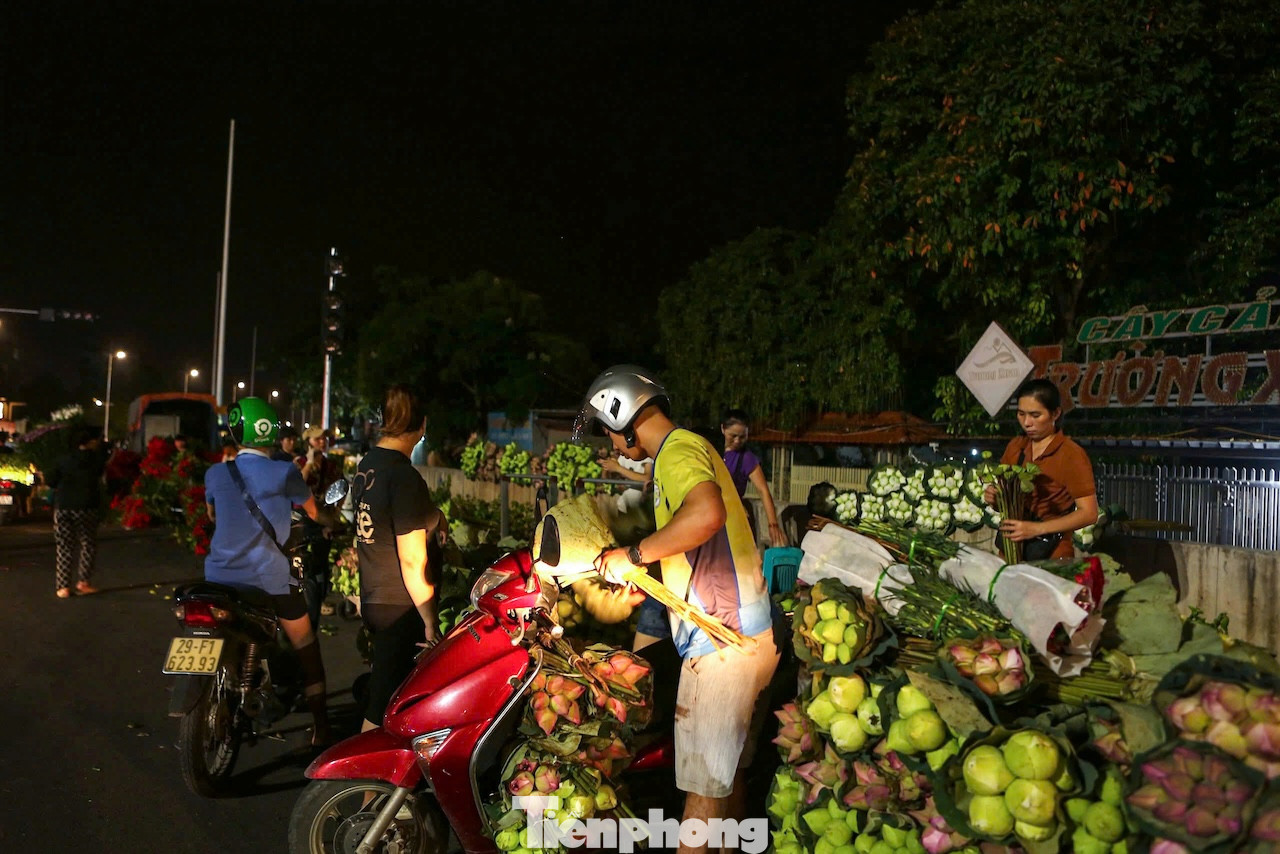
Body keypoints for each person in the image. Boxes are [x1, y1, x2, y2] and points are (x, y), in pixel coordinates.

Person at [587, 366, 780, 853]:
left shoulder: (676, 453)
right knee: (726, 780)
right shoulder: (687, 448)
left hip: (721, 645)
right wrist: (648, 578)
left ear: (623, 418)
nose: (611, 445)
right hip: (743, 633)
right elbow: (698, 542)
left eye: (609, 433)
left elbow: (706, 514)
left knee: (701, 797)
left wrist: (632, 555)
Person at [203, 397, 332, 746]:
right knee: (306, 644)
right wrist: (335, 522)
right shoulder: (284, 471)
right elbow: (314, 512)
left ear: (235, 430)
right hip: (271, 578)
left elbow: (213, 516)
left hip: (219, 578)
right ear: (272, 432)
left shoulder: (216, 472)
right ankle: (321, 728)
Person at [351, 383, 447, 732]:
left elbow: (384, 521)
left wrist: (434, 516)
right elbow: (412, 561)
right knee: (381, 713)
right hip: (400, 607)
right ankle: (366, 787)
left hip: (375, 596)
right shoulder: (404, 477)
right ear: (422, 425)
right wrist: (430, 621)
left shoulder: (369, 465)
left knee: (386, 693)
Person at [985, 378, 1098, 560]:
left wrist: (1036, 529)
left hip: (1051, 554)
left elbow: (1089, 513)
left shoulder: (1071, 454)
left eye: (1035, 415)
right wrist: (994, 497)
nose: (1027, 422)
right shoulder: (1016, 446)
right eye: (1021, 414)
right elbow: (1004, 500)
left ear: (1055, 414)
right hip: (1009, 549)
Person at [46, 426, 106, 598]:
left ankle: (63, 587)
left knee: (64, 545)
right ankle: (83, 582)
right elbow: (100, 474)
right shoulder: (95, 459)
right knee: (88, 543)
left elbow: (51, 481)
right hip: (87, 507)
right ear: (90, 442)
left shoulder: (62, 460)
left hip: (63, 506)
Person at [720, 409, 788, 548]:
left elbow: (763, 490)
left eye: (743, 436)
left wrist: (773, 524)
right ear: (723, 429)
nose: (737, 441)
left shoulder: (746, 458)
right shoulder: (710, 449)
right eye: (733, 436)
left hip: (732, 516)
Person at [298, 425, 344, 626]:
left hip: (323, 520)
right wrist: (308, 462)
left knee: (321, 568)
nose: (321, 442)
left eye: (323, 438)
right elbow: (298, 485)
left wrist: (334, 516)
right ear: (308, 441)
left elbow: (342, 487)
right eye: (317, 439)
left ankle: (318, 601)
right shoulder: (299, 462)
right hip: (300, 520)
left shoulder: (330, 465)